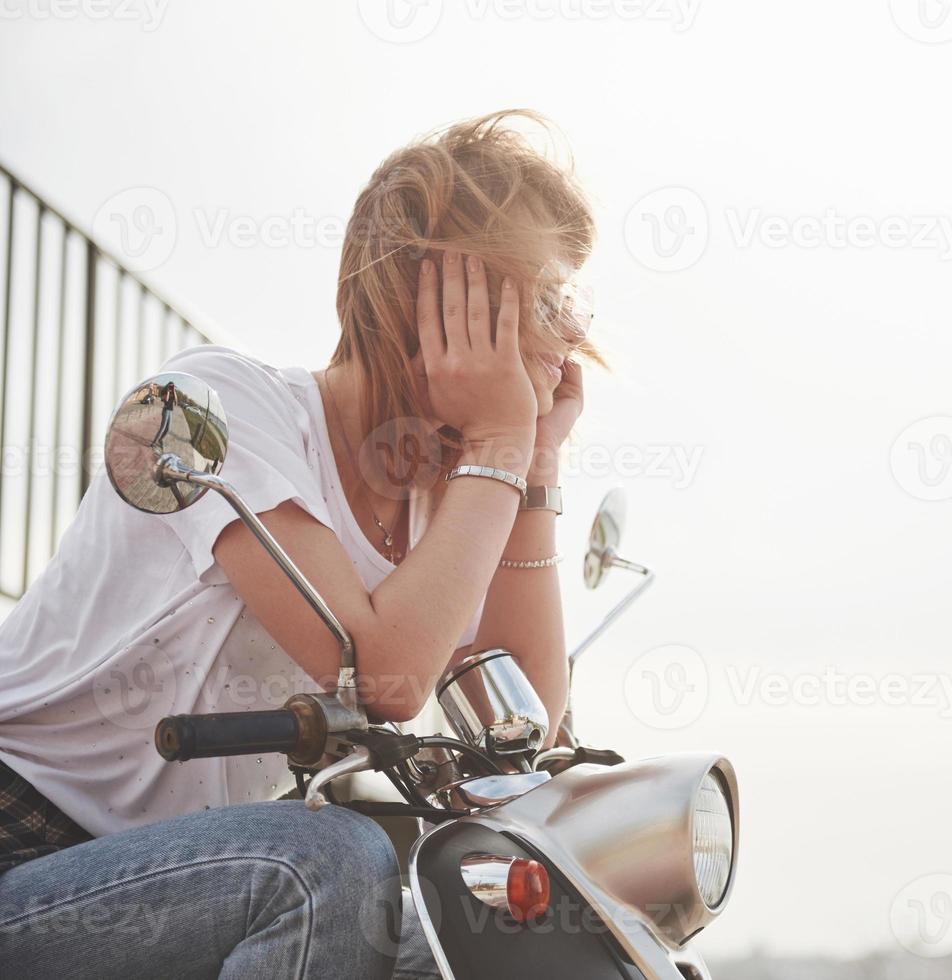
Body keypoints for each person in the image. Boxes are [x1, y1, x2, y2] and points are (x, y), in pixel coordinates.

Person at [0, 110, 599, 978]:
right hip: (24, 848)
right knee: (324, 864)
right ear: (429, 299)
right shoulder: (222, 405)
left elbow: (516, 735)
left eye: (576, 304)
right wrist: (503, 444)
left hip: (182, 871)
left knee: (493, 933)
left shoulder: (454, 504)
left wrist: (532, 469)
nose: (573, 335)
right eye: (549, 299)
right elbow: (388, 677)